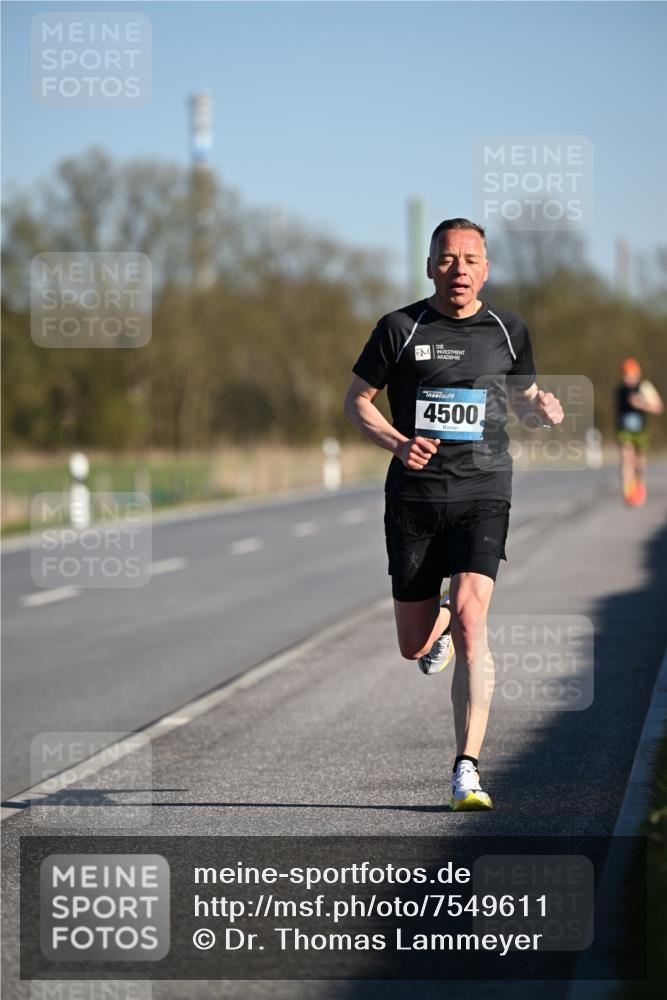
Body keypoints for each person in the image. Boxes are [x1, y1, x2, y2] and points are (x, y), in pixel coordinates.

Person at [343, 218, 564, 811]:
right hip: (414, 500)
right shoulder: (399, 328)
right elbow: (356, 400)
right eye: (447, 258)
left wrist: (541, 408)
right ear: (430, 266)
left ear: (486, 268)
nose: (459, 269)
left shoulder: (509, 331)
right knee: (414, 646)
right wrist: (396, 442)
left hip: (483, 490)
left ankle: (466, 769)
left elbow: (523, 405)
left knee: (473, 620)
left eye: (470, 259)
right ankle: (434, 619)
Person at [615, 357, 663, 506]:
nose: (628, 379)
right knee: (626, 455)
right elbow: (616, 410)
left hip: (640, 430)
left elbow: (658, 408)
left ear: (637, 374)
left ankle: (639, 485)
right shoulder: (620, 390)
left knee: (640, 460)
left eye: (630, 375)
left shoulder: (645, 387)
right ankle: (627, 490)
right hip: (624, 429)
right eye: (625, 375)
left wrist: (640, 403)